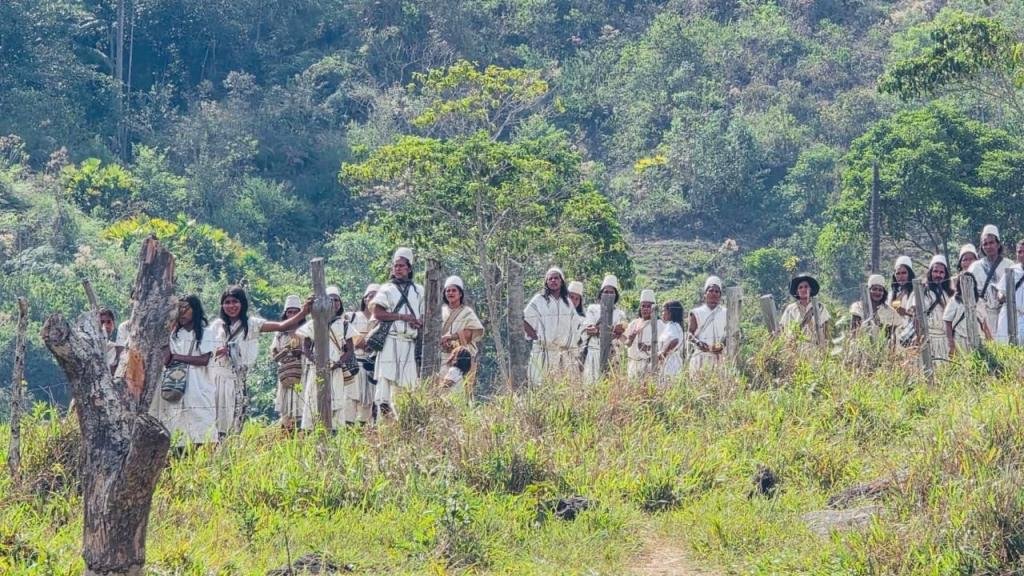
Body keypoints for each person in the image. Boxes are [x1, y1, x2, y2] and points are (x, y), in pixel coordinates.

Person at [208, 285, 312, 437]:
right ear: (222, 305)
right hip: (216, 378)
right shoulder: (217, 326)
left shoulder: (252, 324)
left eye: (235, 302)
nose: (231, 306)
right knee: (213, 421)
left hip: (236, 379)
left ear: (242, 303)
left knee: (233, 421)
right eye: (227, 302)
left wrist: (304, 311)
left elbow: (282, 325)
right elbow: (207, 347)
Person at [299, 286, 365, 428]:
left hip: (336, 370)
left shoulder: (345, 325)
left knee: (336, 402)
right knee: (313, 400)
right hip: (316, 369)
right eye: (331, 300)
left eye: (337, 300)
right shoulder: (313, 324)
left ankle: (333, 431)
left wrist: (338, 363)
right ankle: (311, 430)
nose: (334, 303)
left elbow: (350, 350)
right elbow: (305, 347)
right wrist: (315, 361)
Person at [370, 247, 425, 419]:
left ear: (409, 268)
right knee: (384, 386)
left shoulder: (419, 290)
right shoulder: (386, 289)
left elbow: (424, 315)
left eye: (402, 266)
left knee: (407, 388)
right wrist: (402, 316)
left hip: (409, 342)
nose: (398, 269)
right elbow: (378, 313)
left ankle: (405, 422)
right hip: (390, 341)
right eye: (396, 266)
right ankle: (383, 423)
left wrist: (417, 321)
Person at [159, 295, 216, 446]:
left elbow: (204, 360)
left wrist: (177, 357)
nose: (182, 312)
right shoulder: (174, 335)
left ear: (195, 310)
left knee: (202, 429)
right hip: (176, 383)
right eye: (179, 309)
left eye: (186, 308)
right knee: (178, 429)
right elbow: (166, 360)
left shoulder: (205, 333)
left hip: (198, 385)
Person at [524, 267, 581, 386]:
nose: (553, 281)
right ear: (546, 282)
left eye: (556, 278)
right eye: (550, 279)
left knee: (561, 389)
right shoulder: (539, 299)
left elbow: (575, 325)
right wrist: (535, 337)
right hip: (542, 351)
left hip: (563, 354)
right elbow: (524, 319)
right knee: (539, 386)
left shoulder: (567, 302)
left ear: (561, 281)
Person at [439, 275, 485, 395]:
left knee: (459, 393)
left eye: (454, 290)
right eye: (448, 290)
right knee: (441, 390)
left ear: (460, 294)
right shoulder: (439, 312)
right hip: (442, 357)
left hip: (460, 360)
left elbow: (472, 333)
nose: (450, 293)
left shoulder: (467, 312)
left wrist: (451, 337)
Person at [581, 275, 627, 385]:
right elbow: (590, 329)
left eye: (611, 293)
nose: (608, 295)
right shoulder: (593, 309)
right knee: (591, 383)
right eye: (606, 292)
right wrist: (610, 331)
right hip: (594, 350)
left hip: (612, 354)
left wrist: (601, 331)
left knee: (609, 384)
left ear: (615, 295)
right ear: (601, 294)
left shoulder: (620, 313)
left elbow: (621, 332)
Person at [908, 255, 953, 363]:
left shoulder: (948, 294)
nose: (938, 275)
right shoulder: (922, 291)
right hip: (926, 338)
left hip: (943, 340)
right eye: (935, 271)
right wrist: (919, 337)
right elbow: (916, 315)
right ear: (930, 272)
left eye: (941, 272)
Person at [968, 224, 1013, 333]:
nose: (988, 246)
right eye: (985, 244)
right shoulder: (975, 267)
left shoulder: (1009, 265)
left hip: (1005, 314)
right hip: (982, 315)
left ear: (998, 244)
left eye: (991, 242)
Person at [269, 295, 305, 431]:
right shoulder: (279, 334)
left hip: (301, 374)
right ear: (285, 313)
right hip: (285, 374)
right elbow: (274, 356)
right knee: (286, 411)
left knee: (301, 407)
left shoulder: (306, 331)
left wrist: (300, 352)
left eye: (296, 311)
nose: (293, 314)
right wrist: (285, 352)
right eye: (290, 311)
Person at [347, 284, 379, 420]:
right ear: (364, 299)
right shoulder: (352, 317)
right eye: (370, 296)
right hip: (355, 366)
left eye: (376, 296)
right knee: (350, 401)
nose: (372, 299)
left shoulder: (382, 320)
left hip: (373, 367)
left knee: (370, 405)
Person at [944, 272, 992, 357]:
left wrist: (990, 340)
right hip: (960, 339)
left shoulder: (979, 302)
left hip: (978, 338)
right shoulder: (954, 301)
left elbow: (984, 324)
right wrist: (951, 343)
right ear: (959, 285)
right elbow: (948, 323)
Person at [779, 273, 831, 348]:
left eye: (806, 287)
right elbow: (783, 328)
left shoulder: (819, 307)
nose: (803, 289)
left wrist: (825, 348)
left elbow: (825, 328)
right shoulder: (790, 309)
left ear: (810, 289)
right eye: (800, 287)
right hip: (795, 348)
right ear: (797, 292)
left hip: (815, 347)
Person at [688, 276, 727, 374]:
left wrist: (720, 345)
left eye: (717, 291)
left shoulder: (726, 313)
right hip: (700, 356)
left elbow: (730, 334)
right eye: (711, 290)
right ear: (705, 294)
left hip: (720, 357)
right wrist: (699, 343)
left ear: (720, 295)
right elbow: (690, 334)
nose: (714, 293)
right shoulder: (696, 312)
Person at [849, 274, 903, 340]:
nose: (877, 292)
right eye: (874, 289)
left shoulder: (889, 311)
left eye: (880, 290)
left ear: (884, 293)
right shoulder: (858, 307)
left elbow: (892, 335)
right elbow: (854, 331)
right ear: (868, 291)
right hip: (860, 345)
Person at [995, 240, 1024, 344]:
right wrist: (1001, 296)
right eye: (1019, 252)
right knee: (1006, 345)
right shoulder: (1011, 270)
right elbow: (1000, 291)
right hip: (1009, 314)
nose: (1022, 255)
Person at [625, 289, 658, 380]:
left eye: (648, 306)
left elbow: (662, 346)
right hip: (633, 363)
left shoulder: (659, 324)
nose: (645, 309)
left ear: (653, 308)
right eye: (643, 306)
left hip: (648, 364)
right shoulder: (634, 323)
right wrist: (631, 339)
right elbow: (627, 344)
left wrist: (647, 347)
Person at [658, 300, 685, 382]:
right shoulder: (669, 325)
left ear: (670, 312)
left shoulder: (674, 326)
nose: (662, 313)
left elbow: (675, 340)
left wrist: (663, 353)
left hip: (671, 363)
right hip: (667, 362)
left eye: (664, 311)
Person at [889, 256, 916, 320]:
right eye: (898, 273)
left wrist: (906, 313)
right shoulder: (892, 293)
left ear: (909, 274)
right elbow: (893, 308)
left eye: (904, 273)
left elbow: (916, 313)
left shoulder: (915, 292)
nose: (901, 276)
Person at [98, 308, 118, 375]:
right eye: (102, 322)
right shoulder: (95, 345)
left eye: (108, 322)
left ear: (113, 323)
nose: (106, 326)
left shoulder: (115, 347)